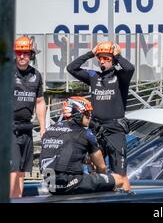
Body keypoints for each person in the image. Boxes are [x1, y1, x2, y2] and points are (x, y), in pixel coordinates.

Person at [66, 41, 134, 191]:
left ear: (113, 59)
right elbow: (71, 68)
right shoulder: (93, 76)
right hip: (97, 128)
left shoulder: (120, 76)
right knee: (99, 169)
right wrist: (90, 53)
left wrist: (118, 55)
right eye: (100, 58)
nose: (102, 61)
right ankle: (103, 197)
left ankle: (127, 198)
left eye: (107, 58)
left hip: (115, 128)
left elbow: (130, 68)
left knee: (120, 172)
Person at [40, 97, 124, 195]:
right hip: (70, 182)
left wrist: (86, 161)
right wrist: (105, 182)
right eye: (87, 114)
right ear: (78, 114)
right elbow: (101, 167)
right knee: (119, 179)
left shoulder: (50, 130)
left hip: (51, 185)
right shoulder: (86, 133)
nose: (90, 117)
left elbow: (59, 155)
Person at [11, 36, 46, 198]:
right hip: (9, 128)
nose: (22, 56)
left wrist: (43, 128)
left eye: (26, 53)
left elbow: (39, 102)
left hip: (27, 128)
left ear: (30, 54)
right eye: (19, 52)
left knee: (22, 171)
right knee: (13, 168)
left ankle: (17, 199)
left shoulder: (36, 75)